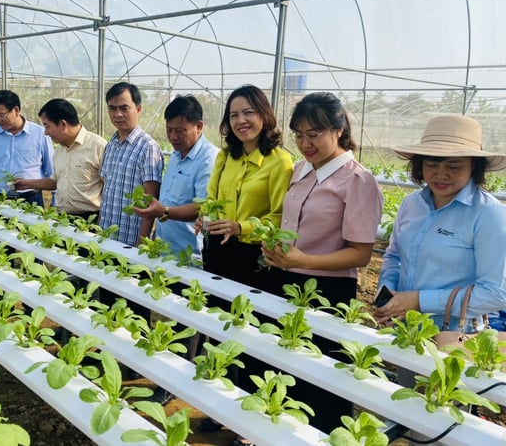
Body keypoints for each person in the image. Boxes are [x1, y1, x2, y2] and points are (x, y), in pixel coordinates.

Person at [261, 91, 383, 433]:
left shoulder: (357, 180)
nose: (305, 143)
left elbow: (360, 253)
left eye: (313, 134)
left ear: (338, 130)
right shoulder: (300, 170)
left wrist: (305, 258)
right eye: (299, 135)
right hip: (283, 280)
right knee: (285, 365)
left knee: (321, 372)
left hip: (326, 289)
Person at [194, 85, 292, 446]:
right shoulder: (225, 157)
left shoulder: (280, 161)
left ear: (264, 115)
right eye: (234, 115)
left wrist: (242, 226)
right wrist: (206, 216)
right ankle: (223, 407)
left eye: (248, 113)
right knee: (220, 330)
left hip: (252, 257)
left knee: (251, 335)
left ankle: (250, 422)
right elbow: (211, 198)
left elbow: (281, 217)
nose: (241, 121)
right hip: (217, 250)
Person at [375, 115, 506, 331]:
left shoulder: (488, 215)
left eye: (454, 165)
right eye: (432, 164)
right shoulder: (412, 204)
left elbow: (496, 293)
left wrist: (420, 301)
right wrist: (387, 290)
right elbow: (394, 256)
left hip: (456, 336)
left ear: (473, 166)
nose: (441, 174)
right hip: (404, 329)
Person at [133, 94, 219, 257]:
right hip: (163, 249)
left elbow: (203, 208)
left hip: (188, 255)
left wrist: (164, 211)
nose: (173, 137)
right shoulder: (176, 155)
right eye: (169, 130)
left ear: (199, 126)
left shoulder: (209, 159)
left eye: (180, 131)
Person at [12, 98, 107, 218]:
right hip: (62, 218)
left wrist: (102, 220)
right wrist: (26, 183)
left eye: (47, 126)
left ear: (63, 124)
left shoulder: (97, 146)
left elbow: (110, 188)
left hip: (90, 219)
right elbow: (55, 182)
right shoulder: (59, 150)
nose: (45, 133)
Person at [99, 82, 163, 247]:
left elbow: (151, 201)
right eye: (112, 108)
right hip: (104, 237)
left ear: (138, 109)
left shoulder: (148, 148)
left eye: (124, 108)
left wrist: (139, 245)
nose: (118, 114)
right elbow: (106, 194)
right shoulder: (111, 145)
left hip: (129, 242)